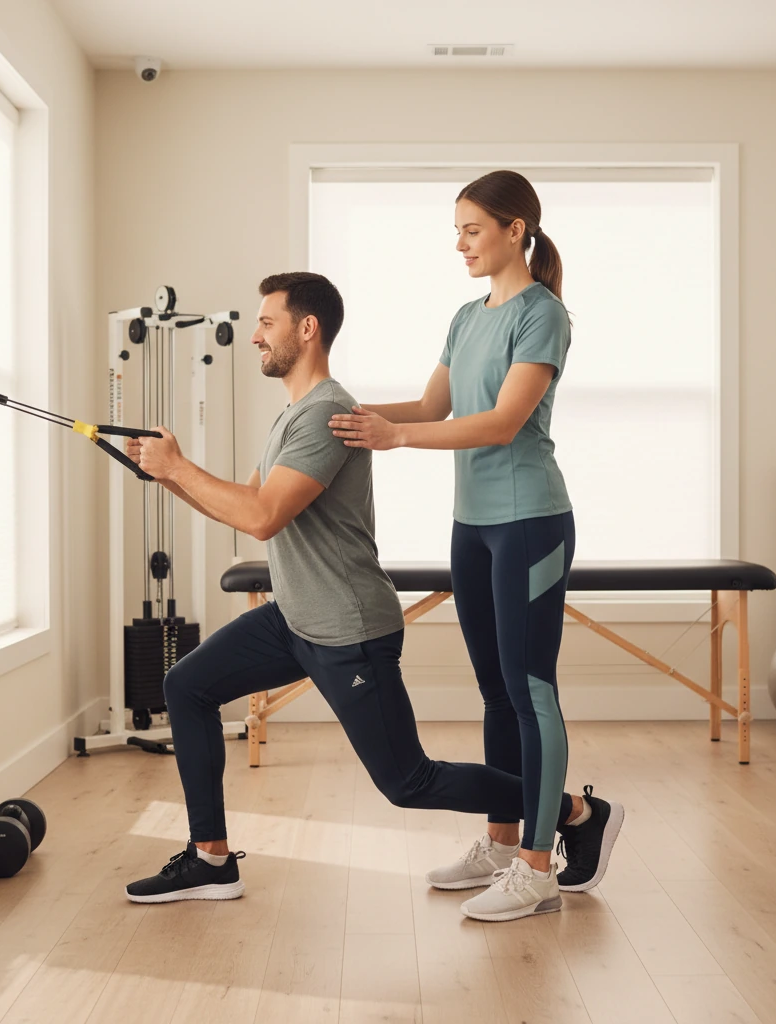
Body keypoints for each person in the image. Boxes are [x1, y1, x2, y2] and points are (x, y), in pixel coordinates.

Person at [123, 270, 617, 922]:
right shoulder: (295, 414)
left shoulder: (326, 414)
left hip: (348, 628)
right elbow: (246, 507)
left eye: (266, 322)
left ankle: (575, 813)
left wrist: (180, 469)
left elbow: (265, 515)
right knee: (188, 685)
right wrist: (168, 476)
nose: (254, 335)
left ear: (308, 329)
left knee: (409, 783)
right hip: (296, 618)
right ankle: (211, 859)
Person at [328, 170, 623, 905]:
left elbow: (501, 422)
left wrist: (396, 438)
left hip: (531, 522)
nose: (458, 243)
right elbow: (435, 403)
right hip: (474, 526)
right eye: (456, 230)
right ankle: (500, 844)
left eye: (471, 229)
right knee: (494, 693)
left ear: (515, 230)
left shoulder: (543, 314)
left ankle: (539, 867)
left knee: (530, 690)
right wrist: (342, 415)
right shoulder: (465, 317)